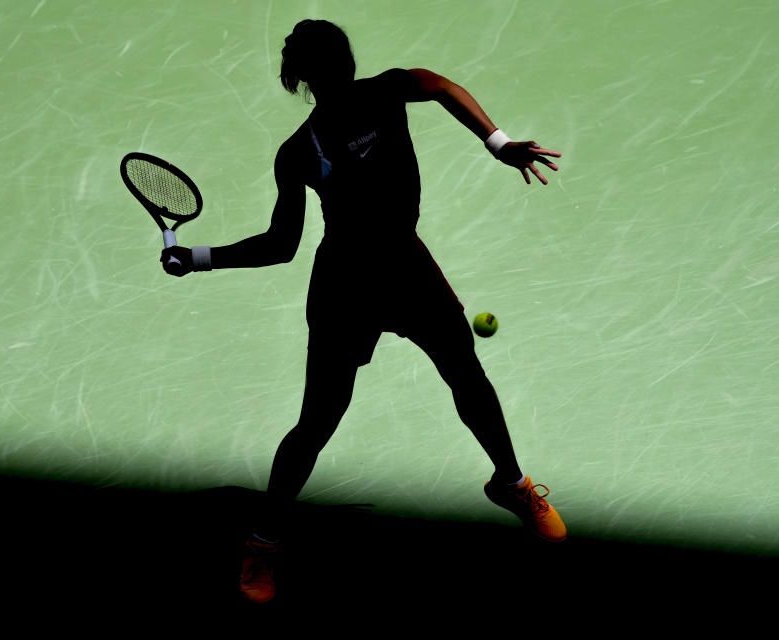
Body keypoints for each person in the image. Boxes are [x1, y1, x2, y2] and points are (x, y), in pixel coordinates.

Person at [160, 19, 565, 605]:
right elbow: (283, 245)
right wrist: (197, 257)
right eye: (326, 63)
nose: (338, 68)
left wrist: (498, 143)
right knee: (319, 421)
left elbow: (441, 85)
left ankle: (511, 484)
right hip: (344, 289)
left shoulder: (386, 91)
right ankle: (263, 541)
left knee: (466, 374)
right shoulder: (299, 152)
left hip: (408, 271)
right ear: (309, 76)